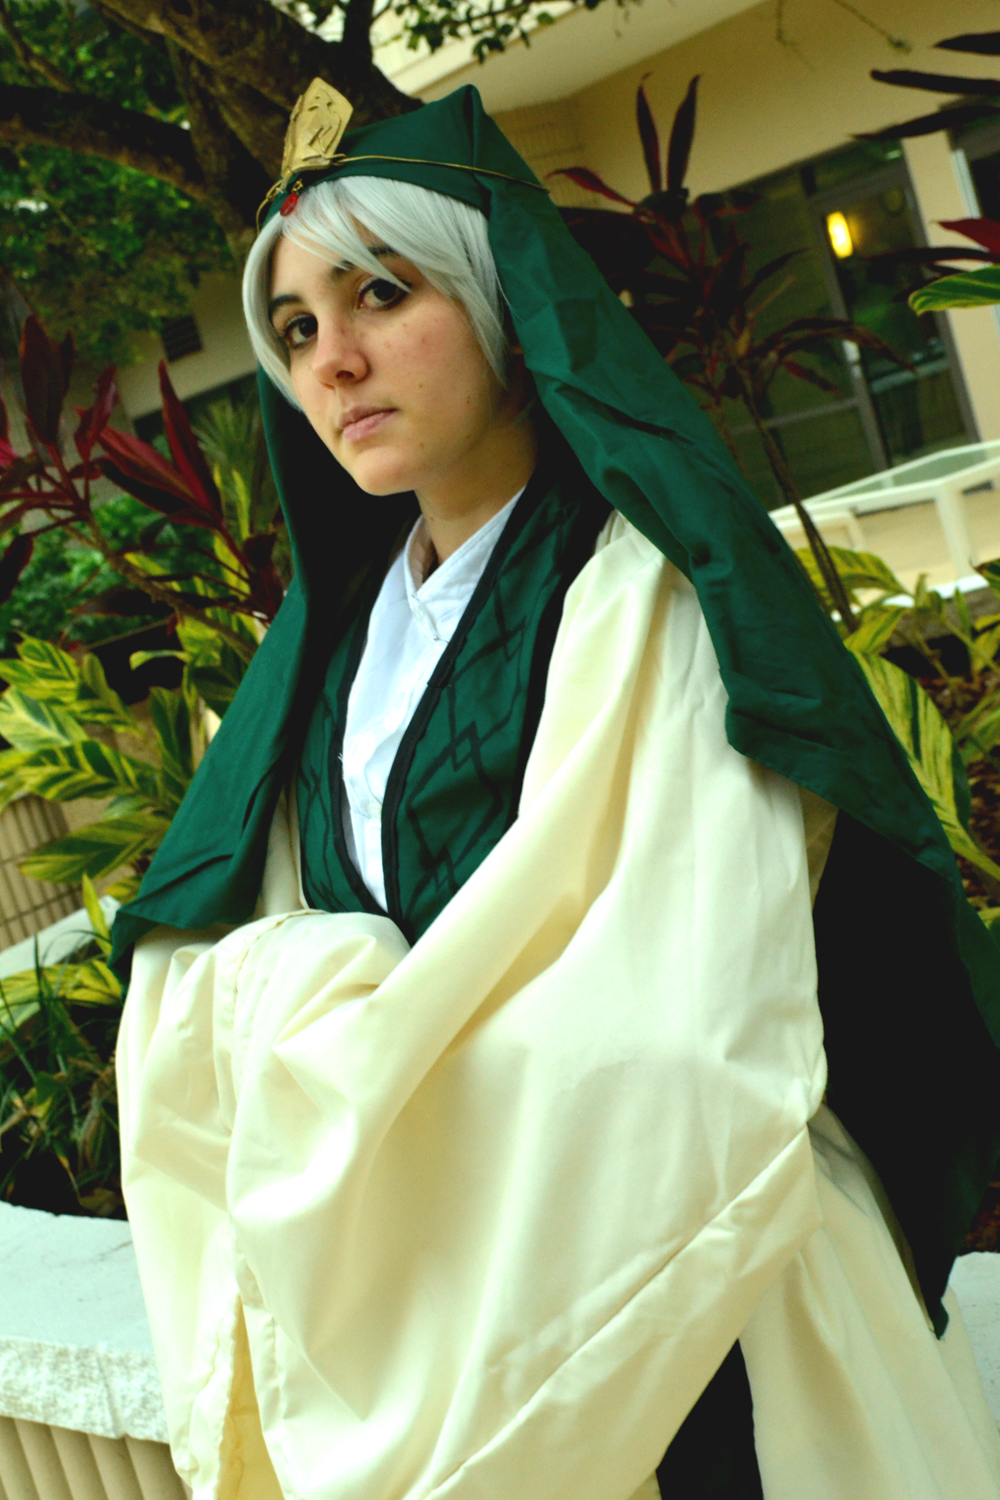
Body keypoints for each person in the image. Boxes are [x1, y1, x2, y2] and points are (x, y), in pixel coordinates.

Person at [111, 82, 1000, 1500]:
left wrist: (328, 1056)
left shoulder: (649, 595)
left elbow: (673, 1034)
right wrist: (325, 1009)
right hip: (428, 1292)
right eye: (295, 328)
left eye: (380, 294)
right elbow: (200, 975)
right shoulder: (323, 662)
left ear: (502, 303)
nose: (334, 361)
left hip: (686, 1300)